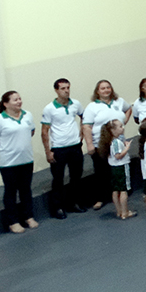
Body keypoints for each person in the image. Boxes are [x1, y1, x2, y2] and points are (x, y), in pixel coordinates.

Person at [0, 91, 38, 233]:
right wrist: (5, 148)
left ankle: (29, 217)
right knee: (11, 191)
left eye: (20, 98)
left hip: (26, 160)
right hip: (8, 163)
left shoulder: (27, 115)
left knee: (25, 189)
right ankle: (13, 221)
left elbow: (31, 132)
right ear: (5, 104)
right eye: (15, 100)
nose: (19, 101)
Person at [82, 80, 131, 210]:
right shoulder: (92, 107)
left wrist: (123, 122)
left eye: (108, 87)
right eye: (102, 88)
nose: (106, 90)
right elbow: (86, 126)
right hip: (101, 144)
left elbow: (128, 109)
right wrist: (89, 145)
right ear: (97, 91)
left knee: (118, 169)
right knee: (101, 172)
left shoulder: (119, 102)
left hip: (118, 142)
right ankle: (101, 198)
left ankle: (121, 192)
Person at [41, 78, 86, 218]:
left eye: (68, 88)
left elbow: (84, 117)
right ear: (56, 90)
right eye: (63, 88)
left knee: (76, 176)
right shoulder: (49, 108)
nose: (66, 91)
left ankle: (74, 203)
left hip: (75, 146)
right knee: (58, 179)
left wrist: (82, 133)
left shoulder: (75, 104)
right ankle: (58, 207)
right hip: (59, 148)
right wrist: (48, 152)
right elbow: (44, 131)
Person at [98, 119, 136, 220]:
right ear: (113, 130)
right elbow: (118, 156)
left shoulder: (110, 142)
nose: (123, 128)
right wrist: (127, 148)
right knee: (123, 190)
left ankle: (119, 211)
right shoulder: (116, 142)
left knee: (115, 190)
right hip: (121, 167)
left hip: (114, 168)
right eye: (120, 126)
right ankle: (125, 212)